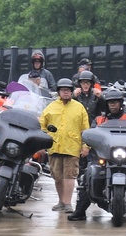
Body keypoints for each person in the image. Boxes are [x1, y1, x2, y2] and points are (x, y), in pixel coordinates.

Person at [69, 90, 126, 222]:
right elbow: (92, 134)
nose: (113, 105)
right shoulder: (100, 120)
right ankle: (79, 211)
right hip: (105, 157)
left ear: (121, 103)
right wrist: (88, 139)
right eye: (110, 103)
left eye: (115, 102)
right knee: (88, 175)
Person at [39, 78, 89, 213]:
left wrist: (85, 146)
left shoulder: (79, 108)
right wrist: (41, 143)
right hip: (54, 146)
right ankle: (61, 201)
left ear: (72, 92)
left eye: (68, 90)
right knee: (57, 176)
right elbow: (42, 126)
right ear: (59, 92)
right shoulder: (50, 107)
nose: (65, 93)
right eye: (63, 90)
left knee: (70, 175)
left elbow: (85, 128)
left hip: (72, 147)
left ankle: (68, 203)